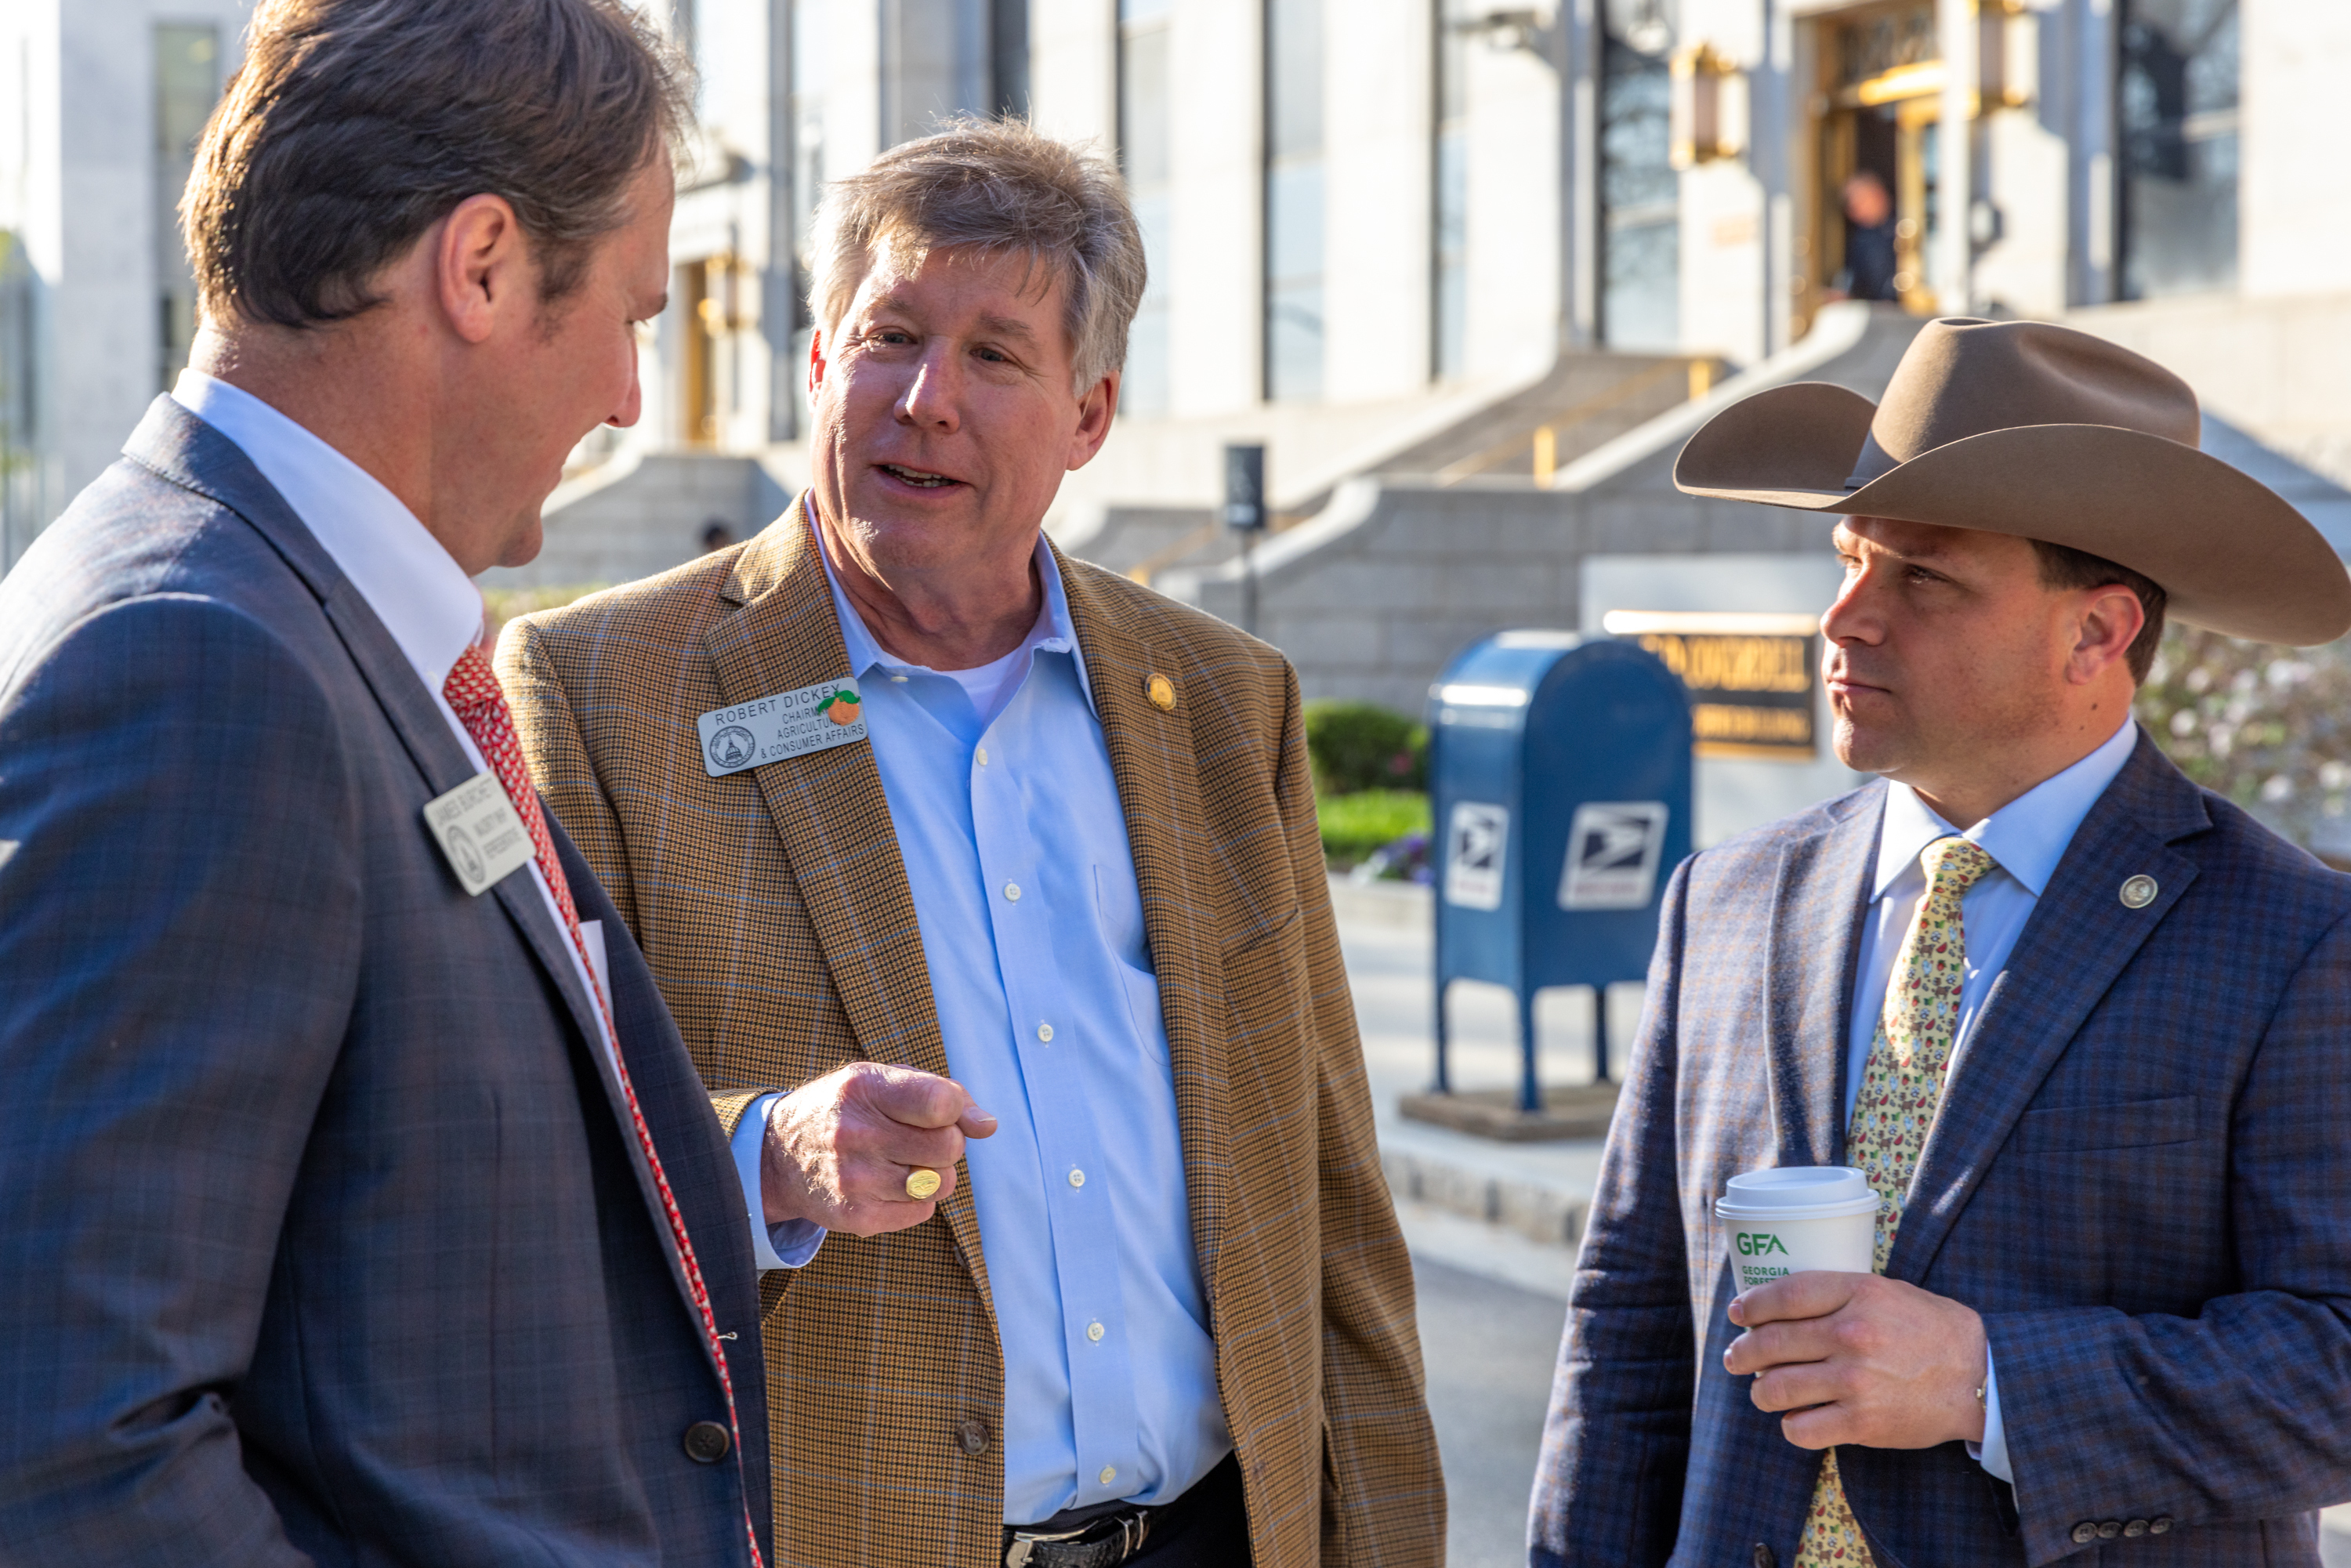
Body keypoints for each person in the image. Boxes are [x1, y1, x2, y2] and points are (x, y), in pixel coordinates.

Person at [497, 121, 1444, 1568]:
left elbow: (1329, 1201)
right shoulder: (600, 690)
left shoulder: (1222, 702)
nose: (926, 401)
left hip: (1213, 1533)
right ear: (818, 365)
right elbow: (525, 1153)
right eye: (889, 337)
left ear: (1089, 416)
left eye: (998, 355)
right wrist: (765, 1153)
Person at [0, 2, 773, 1563]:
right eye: (632, 315)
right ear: (481, 266)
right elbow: (73, 1446)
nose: (634, 395)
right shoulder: (198, 663)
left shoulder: (292, 616)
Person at [1528, 317, 2351, 1567]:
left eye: (1924, 578)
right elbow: (1628, 1332)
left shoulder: (2293, 937)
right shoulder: (1727, 902)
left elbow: (2334, 1360)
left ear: (2098, 633)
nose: (1846, 618)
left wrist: (1988, 1380)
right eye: (1849, 560)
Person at [1828, 170, 1900, 303]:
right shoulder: (1862, 237)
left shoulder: (1904, 227)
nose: (1854, 213)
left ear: (1878, 195)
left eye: (1860, 203)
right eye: (1851, 207)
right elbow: (1855, 279)